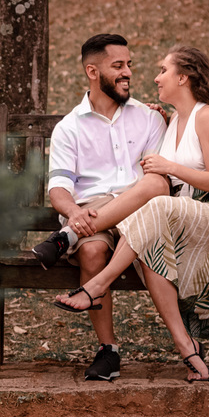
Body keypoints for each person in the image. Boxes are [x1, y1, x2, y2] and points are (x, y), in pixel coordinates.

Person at [52, 46, 209, 383]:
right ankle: (188, 348)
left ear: (184, 77)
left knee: (156, 206)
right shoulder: (172, 119)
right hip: (184, 215)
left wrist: (168, 166)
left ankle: (96, 280)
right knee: (152, 247)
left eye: (163, 70)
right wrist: (161, 122)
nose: (154, 77)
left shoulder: (208, 116)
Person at [31, 33, 170, 382]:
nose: (128, 74)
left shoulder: (150, 118)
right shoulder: (69, 127)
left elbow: (157, 181)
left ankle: (64, 237)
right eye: (118, 66)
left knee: (134, 197)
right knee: (92, 251)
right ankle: (109, 352)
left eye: (129, 65)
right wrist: (74, 212)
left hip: (142, 210)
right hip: (93, 216)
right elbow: (60, 188)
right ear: (93, 71)